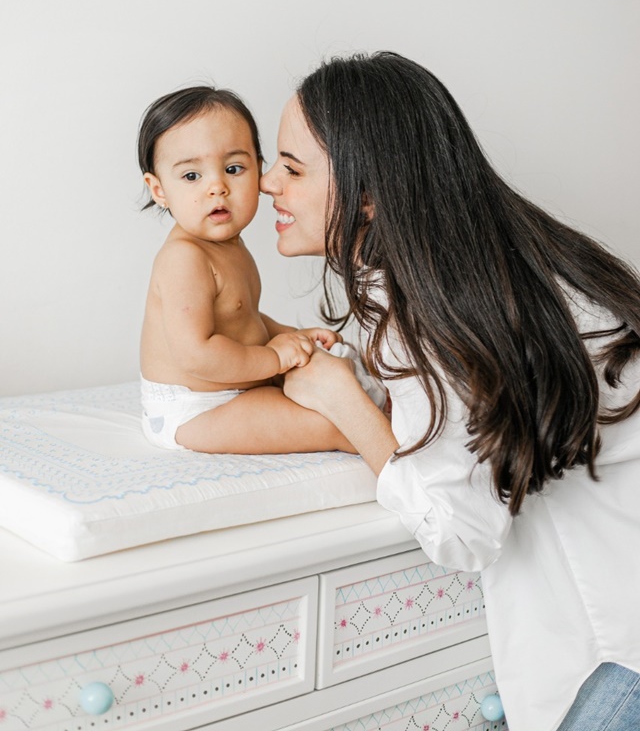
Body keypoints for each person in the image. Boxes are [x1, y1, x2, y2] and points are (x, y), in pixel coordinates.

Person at [260, 52, 640, 731]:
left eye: (292, 168)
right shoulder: (512, 266)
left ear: (369, 194)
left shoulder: (427, 312)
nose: (266, 185)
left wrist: (345, 403)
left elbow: (461, 533)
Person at [136, 84, 363, 454]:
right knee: (331, 422)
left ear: (259, 170)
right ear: (159, 189)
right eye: (192, 176)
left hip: (233, 385)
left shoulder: (230, 247)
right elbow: (197, 353)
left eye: (233, 168)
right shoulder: (184, 258)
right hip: (196, 408)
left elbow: (240, 317)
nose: (217, 187)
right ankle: (405, 456)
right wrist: (273, 358)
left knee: (331, 389)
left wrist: (292, 334)